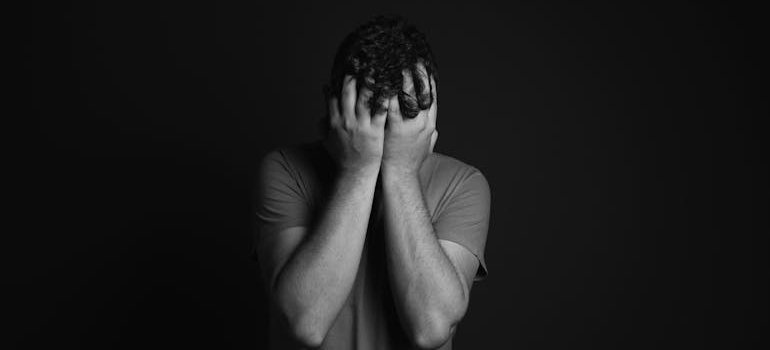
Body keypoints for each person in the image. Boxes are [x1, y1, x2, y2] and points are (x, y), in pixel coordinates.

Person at [252, 14, 491, 350]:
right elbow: (305, 322)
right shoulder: (284, 170)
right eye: (371, 112)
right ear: (333, 107)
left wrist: (402, 172)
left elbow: (431, 327)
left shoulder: (463, 183)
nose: (382, 132)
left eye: (401, 114)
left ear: (429, 112)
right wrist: (359, 169)